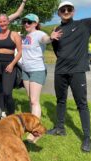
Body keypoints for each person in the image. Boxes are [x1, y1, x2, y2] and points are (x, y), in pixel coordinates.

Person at [47, 1, 91, 152]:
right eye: (62, 9)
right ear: (58, 12)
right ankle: (60, 128)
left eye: (68, 9)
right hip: (60, 71)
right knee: (60, 100)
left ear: (73, 11)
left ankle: (87, 138)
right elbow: (58, 51)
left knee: (82, 104)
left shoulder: (84, 25)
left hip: (77, 71)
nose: (66, 11)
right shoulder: (57, 30)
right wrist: (52, 38)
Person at [21, 13, 62, 142]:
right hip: (26, 70)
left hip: (37, 70)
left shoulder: (39, 34)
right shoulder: (26, 36)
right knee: (30, 98)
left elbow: (45, 39)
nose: (26, 24)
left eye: (29, 22)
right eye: (25, 21)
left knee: (34, 100)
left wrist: (51, 37)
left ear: (35, 23)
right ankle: (31, 123)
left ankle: (35, 131)